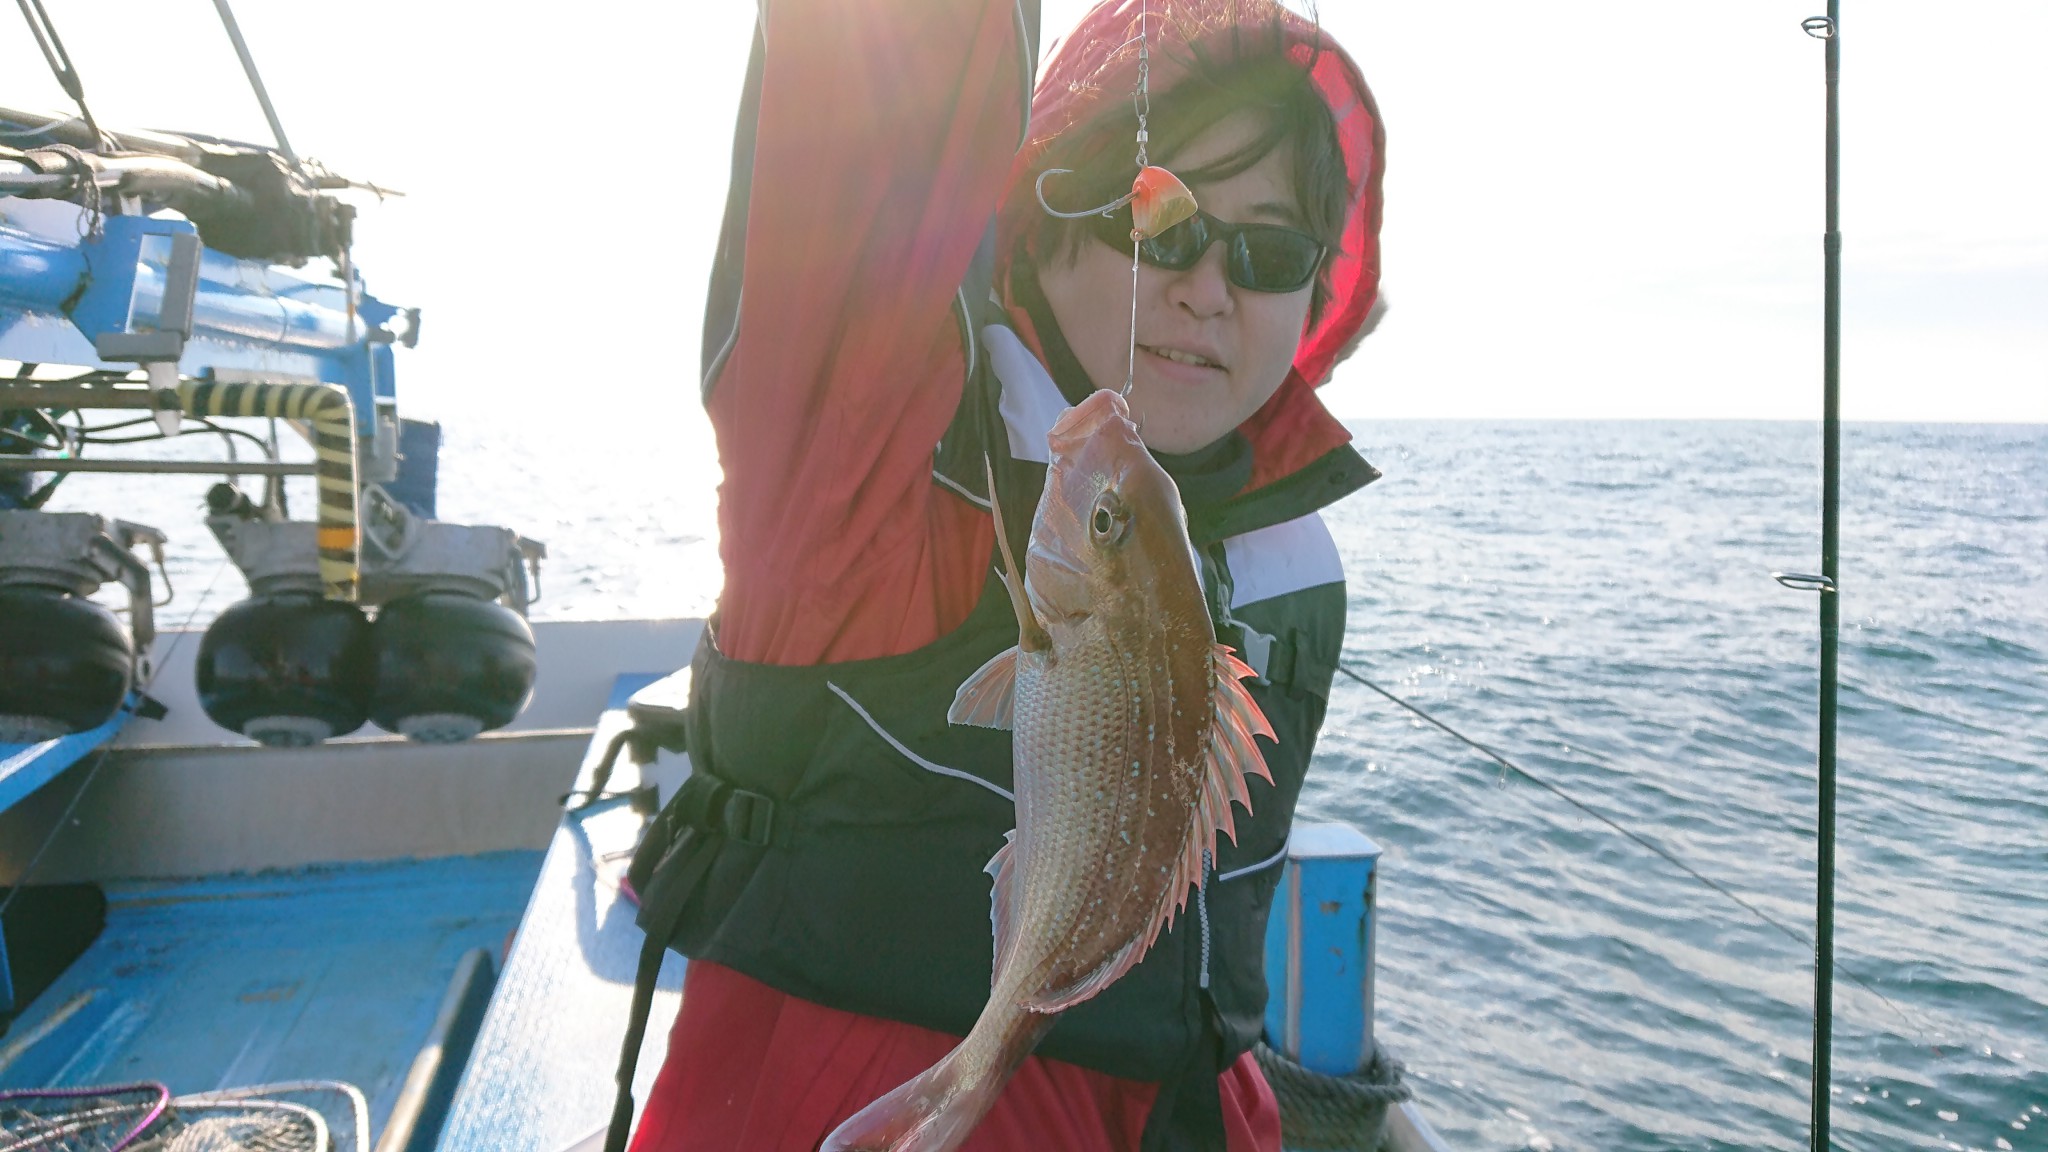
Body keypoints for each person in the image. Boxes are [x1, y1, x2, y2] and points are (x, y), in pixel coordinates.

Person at [620, 1, 1384, 1149]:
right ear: (1046, 208)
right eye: (1161, 218)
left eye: (1269, 253)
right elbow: (880, 87)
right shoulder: (868, 450)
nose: (1205, 287)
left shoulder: (1285, 564)